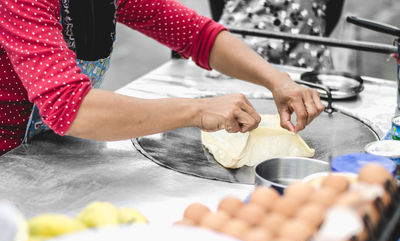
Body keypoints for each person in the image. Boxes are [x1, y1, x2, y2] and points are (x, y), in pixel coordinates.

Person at [0, 0, 324, 156]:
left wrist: (278, 80)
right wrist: (196, 111)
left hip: (45, 146)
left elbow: (199, 35)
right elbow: (72, 108)